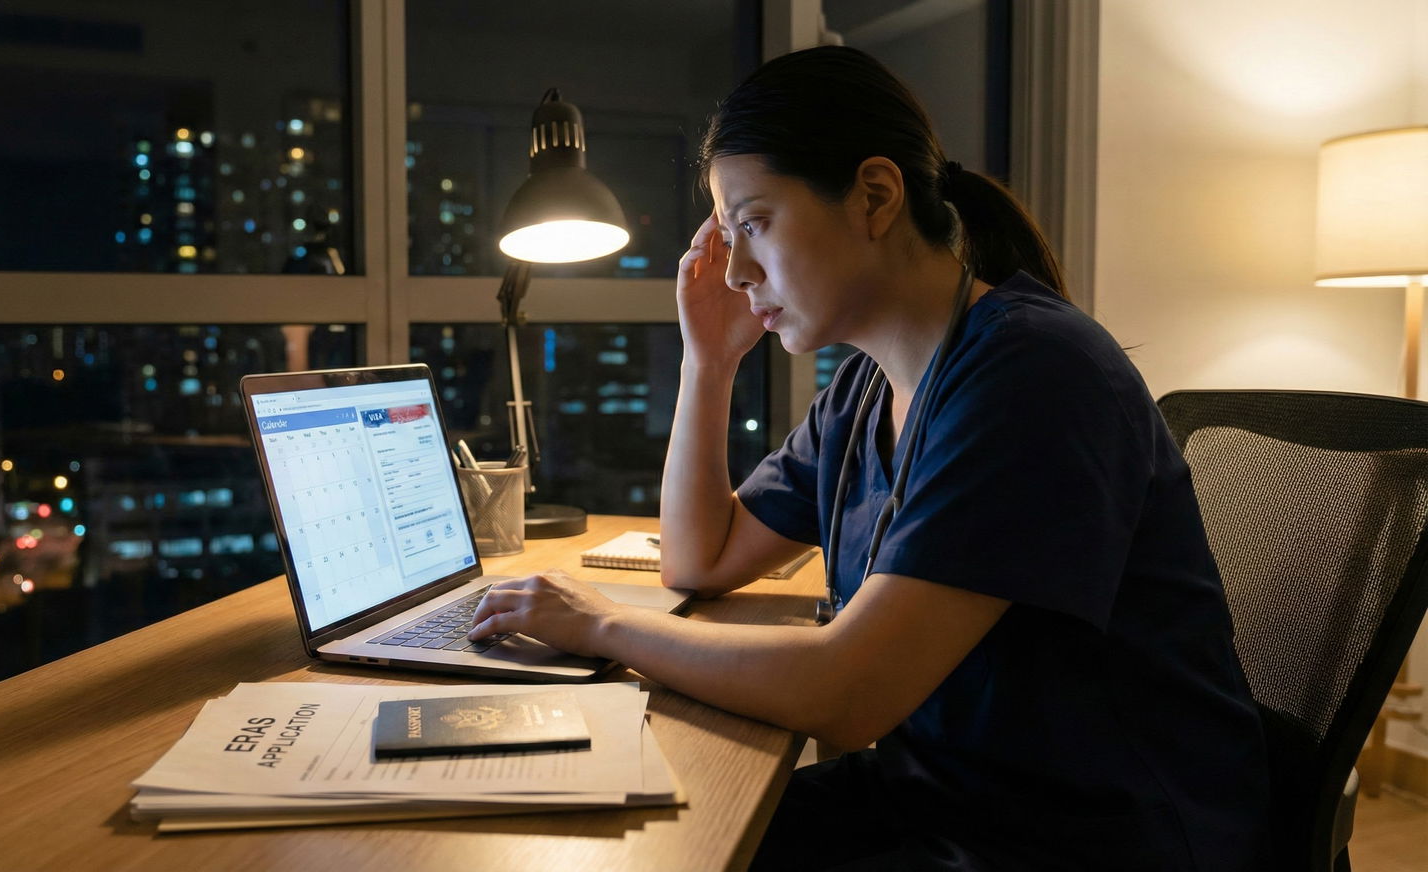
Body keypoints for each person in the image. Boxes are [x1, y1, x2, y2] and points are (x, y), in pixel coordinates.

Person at [469, 46, 1270, 870]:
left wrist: (599, 622)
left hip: (1086, 838)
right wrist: (708, 364)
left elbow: (845, 695)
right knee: (643, 832)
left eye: (756, 223)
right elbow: (698, 558)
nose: (737, 269)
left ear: (876, 197)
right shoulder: (861, 393)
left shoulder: (1033, 374)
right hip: (941, 802)